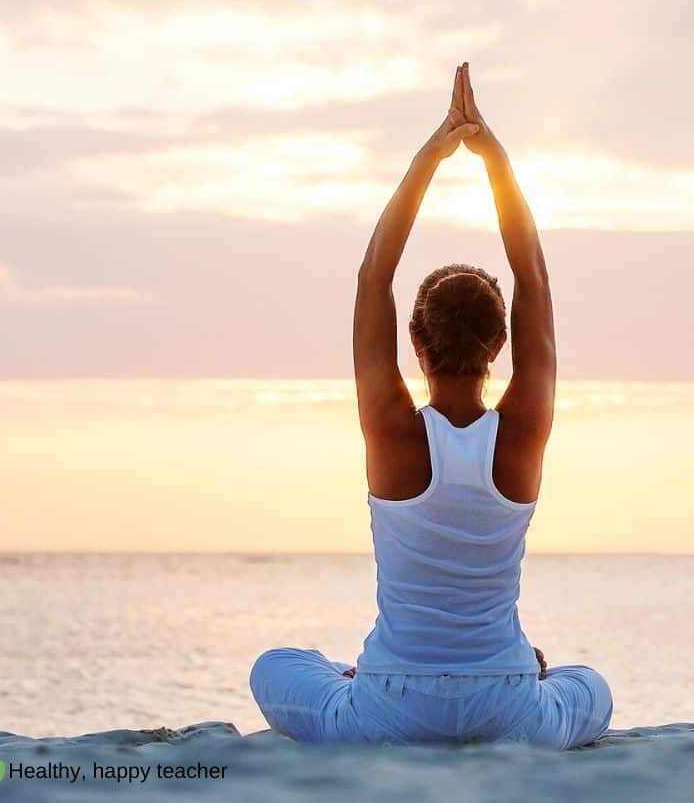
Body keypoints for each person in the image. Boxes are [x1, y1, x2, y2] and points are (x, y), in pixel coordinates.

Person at [250, 64, 612, 748]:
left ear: (414, 341)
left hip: (391, 704)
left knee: (275, 668)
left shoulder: (390, 432)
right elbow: (531, 271)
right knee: (591, 686)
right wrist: (492, 158)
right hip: (507, 704)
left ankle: (356, 677)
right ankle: (518, 672)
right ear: (500, 343)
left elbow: (372, 275)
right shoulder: (521, 434)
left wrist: (431, 155)